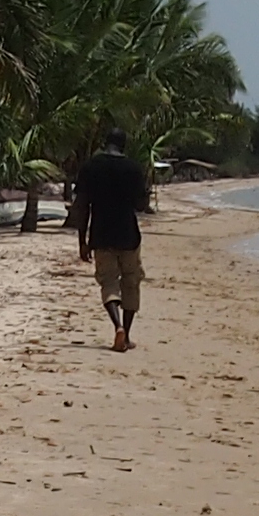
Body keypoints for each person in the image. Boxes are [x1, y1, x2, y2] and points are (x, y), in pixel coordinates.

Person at [68, 124, 153, 351]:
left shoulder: (91, 167)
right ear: (124, 145)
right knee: (131, 282)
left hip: (101, 234)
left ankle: (117, 327)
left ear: (105, 143)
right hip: (128, 234)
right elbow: (142, 205)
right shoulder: (133, 168)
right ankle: (126, 334)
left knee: (108, 283)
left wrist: (82, 241)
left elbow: (82, 206)